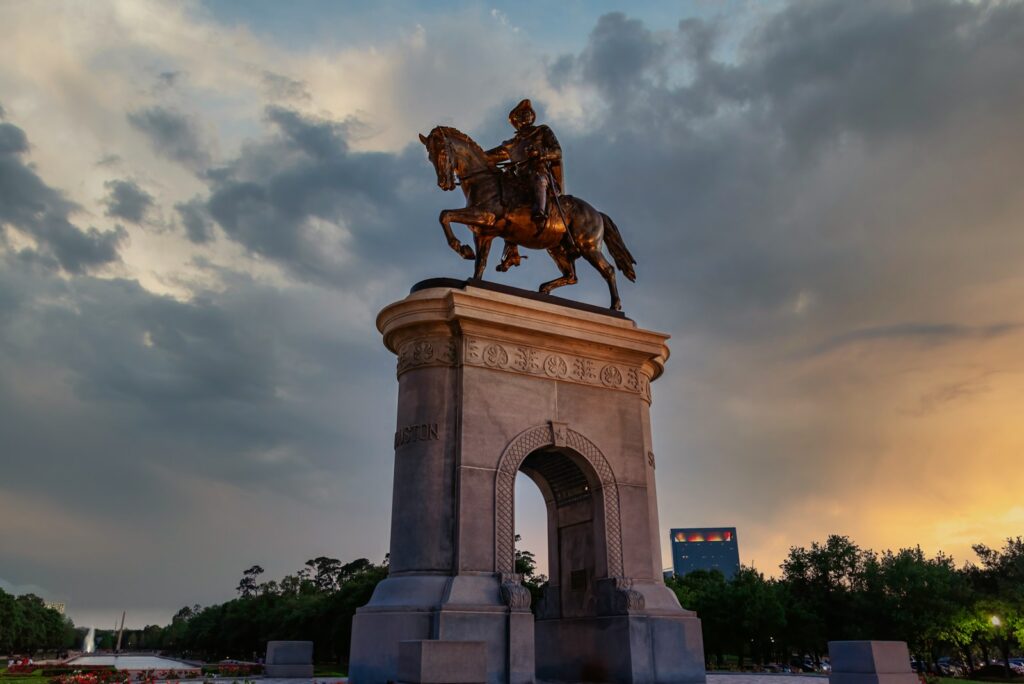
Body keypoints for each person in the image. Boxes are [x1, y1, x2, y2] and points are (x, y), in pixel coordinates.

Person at [486, 99, 563, 236]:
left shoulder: (542, 131)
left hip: (540, 173)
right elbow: (487, 157)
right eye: (521, 114)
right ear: (516, 121)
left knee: (538, 179)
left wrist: (540, 153)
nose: (526, 115)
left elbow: (557, 152)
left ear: (532, 117)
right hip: (519, 178)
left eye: (528, 113)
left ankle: (540, 213)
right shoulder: (511, 144)